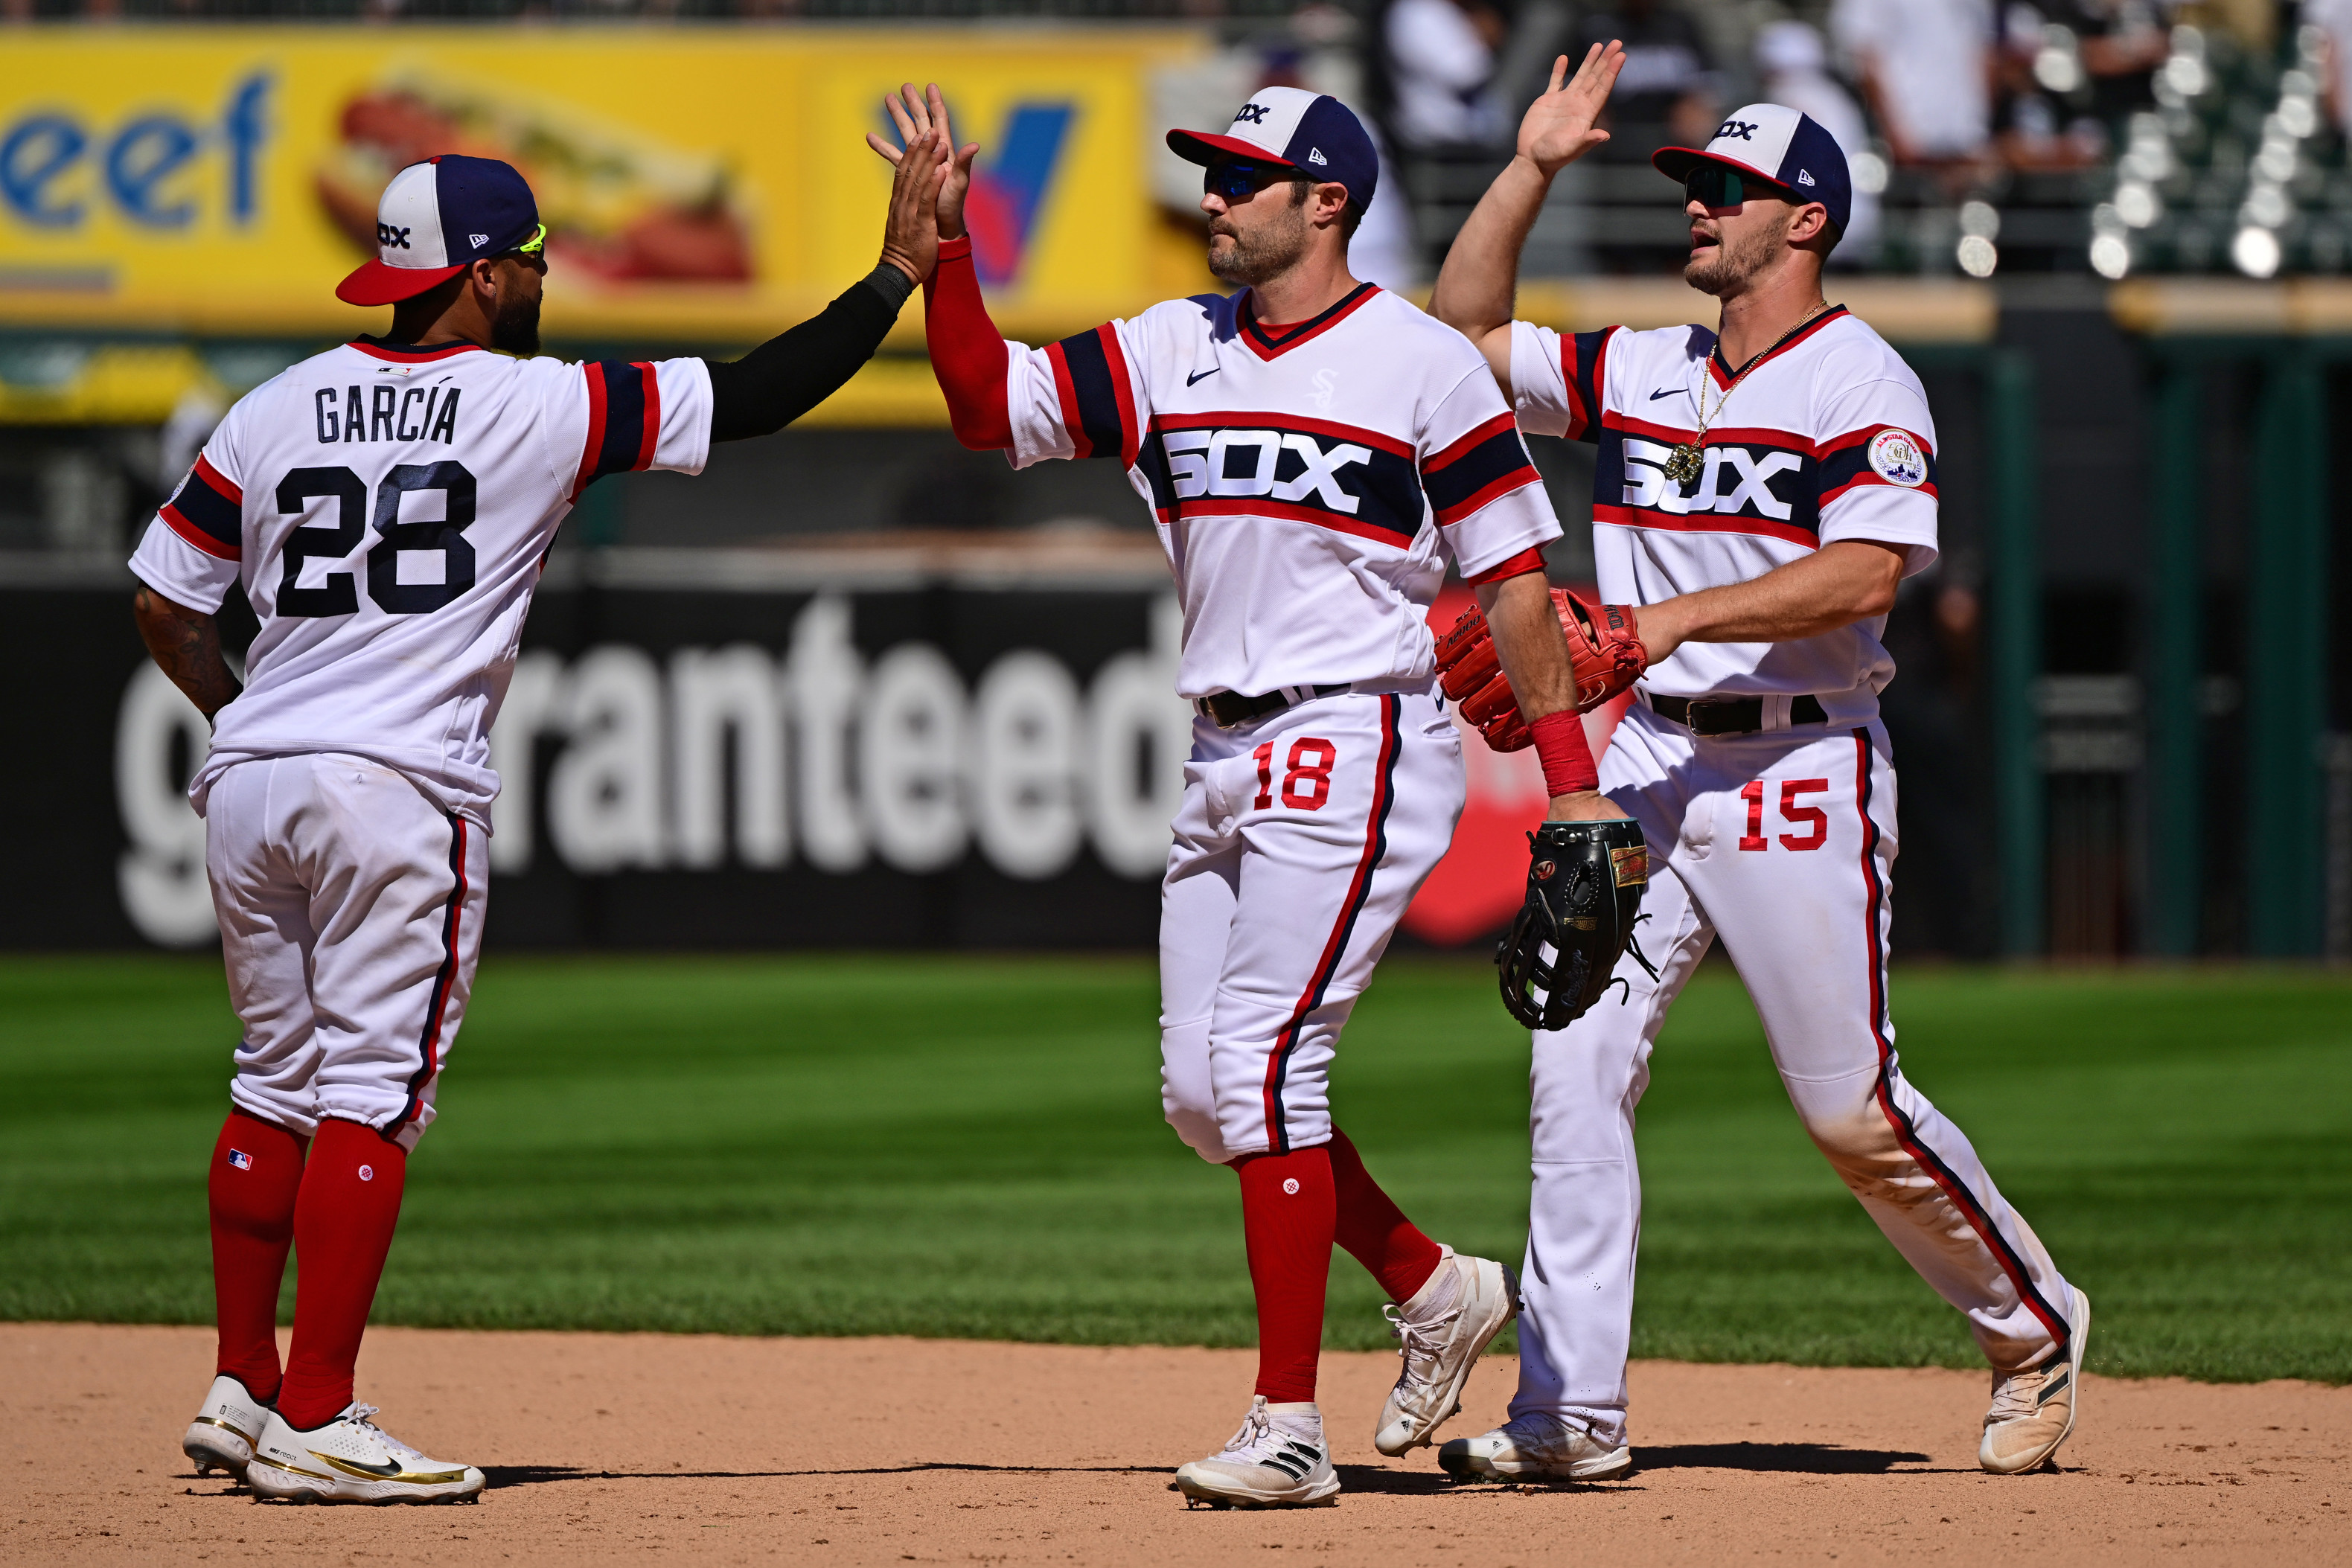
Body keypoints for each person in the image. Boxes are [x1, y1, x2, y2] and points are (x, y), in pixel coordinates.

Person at [140, 143, 948, 1503]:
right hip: (397, 787)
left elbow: (167, 603)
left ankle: (241, 1383)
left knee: (270, 1080)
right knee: (370, 1095)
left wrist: (247, 714)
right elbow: (756, 395)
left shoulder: (273, 406)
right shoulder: (541, 405)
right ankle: (323, 1414)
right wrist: (896, 278)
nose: (540, 276)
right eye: (525, 258)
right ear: (480, 276)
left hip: (256, 775)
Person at [872, 80, 1599, 1508]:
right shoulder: (1168, 345)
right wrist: (949, 253)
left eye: (1243, 176)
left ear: (1328, 199)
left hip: (1360, 734)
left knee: (1268, 1063)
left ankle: (1287, 1426)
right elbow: (982, 412)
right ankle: (1431, 1283)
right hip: (1220, 741)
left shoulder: (1422, 364)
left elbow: (1517, 579)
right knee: (1208, 1098)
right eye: (1209, 173)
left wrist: (1569, 788)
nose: (1212, 196)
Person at [1426, 47, 2089, 1481]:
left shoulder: (1862, 378)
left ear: (1806, 219)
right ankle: (1568, 1415)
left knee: (1848, 1106)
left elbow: (1861, 576)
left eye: (1727, 191)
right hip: (1658, 758)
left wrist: (1653, 621)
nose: (1698, 210)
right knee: (1574, 1062)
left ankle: (2033, 1328)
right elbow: (1461, 325)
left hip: (1801, 767)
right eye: (1693, 188)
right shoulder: (1643, 365)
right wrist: (1534, 165)